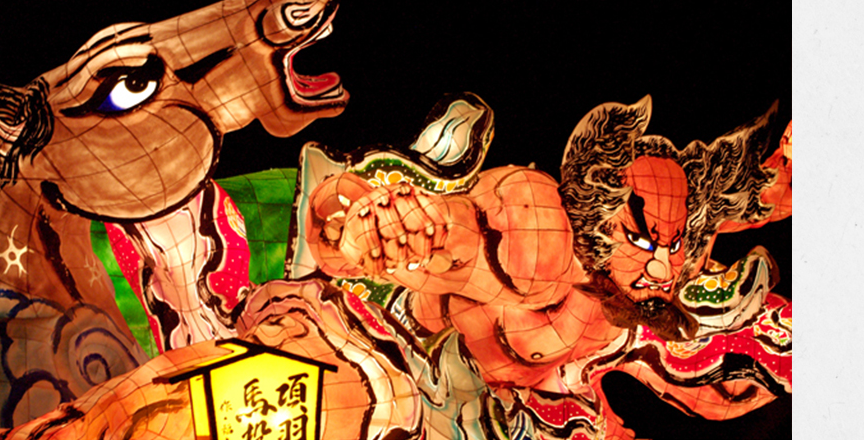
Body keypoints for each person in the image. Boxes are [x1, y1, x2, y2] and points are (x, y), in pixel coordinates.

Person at [306, 96, 792, 438]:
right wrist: (397, 226)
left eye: (674, 243)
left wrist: (777, 184)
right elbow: (459, 234)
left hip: (527, 387)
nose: (663, 267)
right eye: (642, 238)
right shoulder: (533, 234)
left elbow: (718, 212)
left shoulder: (639, 290)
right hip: (460, 372)